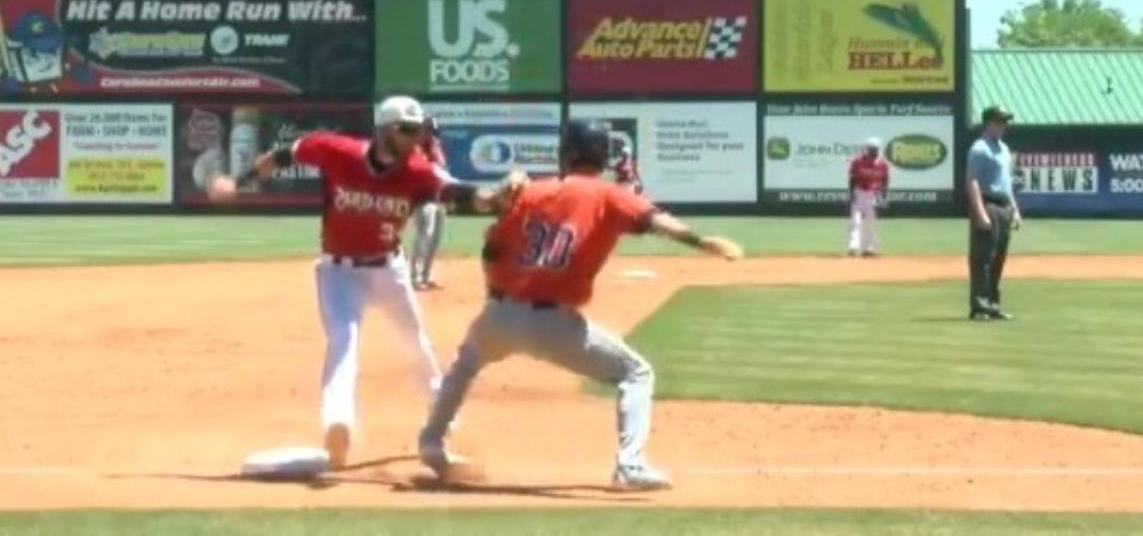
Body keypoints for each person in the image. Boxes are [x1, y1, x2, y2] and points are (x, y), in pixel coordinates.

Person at [416, 119, 743, 491]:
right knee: (636, 374)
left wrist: (497, 297)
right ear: (602, 156)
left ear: (565, 153)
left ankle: (431, 441)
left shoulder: (529, 191)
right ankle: (630, 466)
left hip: (499, 313)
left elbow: (491, 248)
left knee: (465, 364)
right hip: (555, 325)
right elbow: (658, 222)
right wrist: (702, 242)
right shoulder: (610, 195)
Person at [204, 96, 509, 469]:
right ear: (384, 129)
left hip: (388, 269)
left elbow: (456, 193)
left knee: (416, 343)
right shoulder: (337, 152)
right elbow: (284, 156)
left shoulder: (417, 170)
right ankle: (339, 422)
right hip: (338, 272)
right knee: (343, 342)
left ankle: (443, 418)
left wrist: (492, 198)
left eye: (419, 132)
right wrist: (240, 183)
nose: (415, 139)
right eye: (407, 130)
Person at [967, 105, 1022, 321]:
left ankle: (993, 305)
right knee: (983, 258)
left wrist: (1015, 210)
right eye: (1000, 121)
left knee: (998, 258)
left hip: (1004, 205)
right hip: (988, 203)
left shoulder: (1004, 148)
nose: (1004, 126)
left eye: (1005, 121)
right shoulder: (979, 148)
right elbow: (972, 182)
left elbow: (1006, 184)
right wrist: (980, 213)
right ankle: (979, 307)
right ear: (988, 123)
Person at [411, 115, 448, 291]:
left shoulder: (436, 147)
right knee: (424, 237)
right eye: (429, 131)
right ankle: (415, 277)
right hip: (423, 200)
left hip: (438, 199)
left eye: (434, 131)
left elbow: (442, 172)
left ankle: (426, 275)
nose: (432, 134)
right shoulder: (416, 149)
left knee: (435, 239)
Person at [847, 137, 890, 257]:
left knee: (871, 223)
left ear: (878, 149)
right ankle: (853, 247)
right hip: (859, 192)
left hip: (872, 195)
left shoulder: (883, 164)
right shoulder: (857, 162)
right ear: (867, 149)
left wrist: (884, 195)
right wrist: (852, 195)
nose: (873, 151)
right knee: (856, 222)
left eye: (875, 149)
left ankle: (869, 249)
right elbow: (852, 179)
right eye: (871, 148)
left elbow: (885, 180)